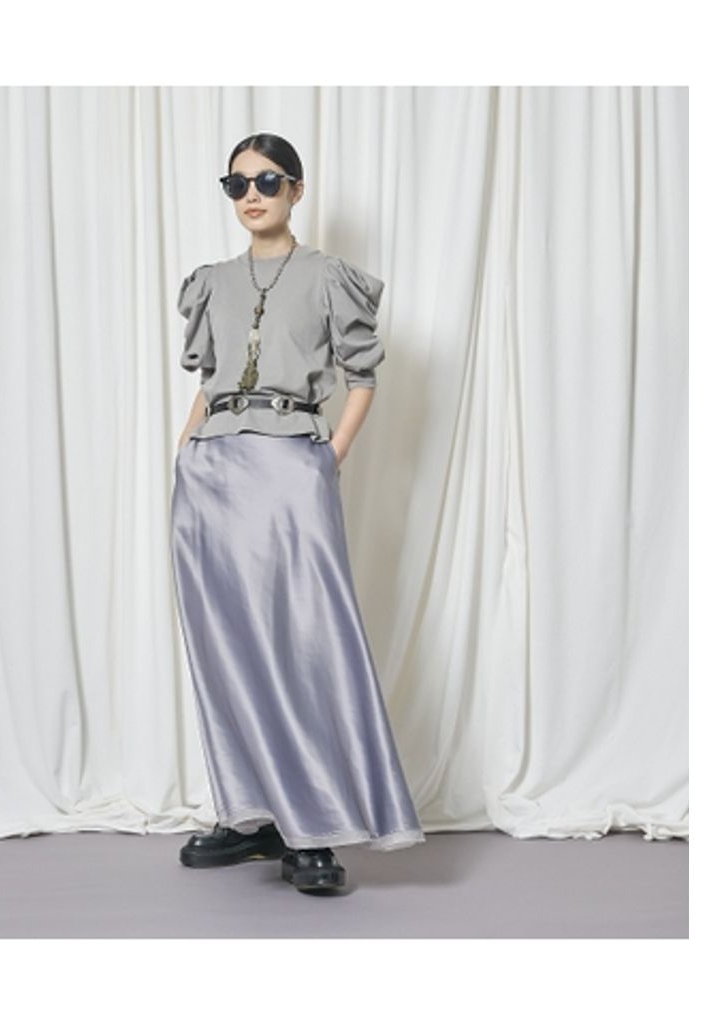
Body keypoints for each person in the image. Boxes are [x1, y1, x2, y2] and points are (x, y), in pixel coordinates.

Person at [169, 133, 424, 896]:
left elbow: (362, 377)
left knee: (305, 639)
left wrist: (328, 457)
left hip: (290, 467)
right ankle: (252, 814)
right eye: (237, 184)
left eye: (268, 181)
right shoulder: (212, 282)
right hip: (210, 473)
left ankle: (314, 823)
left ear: (296, 190)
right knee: (226, 645)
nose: (252, 195)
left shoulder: (326, 277)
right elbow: (209, 385)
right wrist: (182, 457)